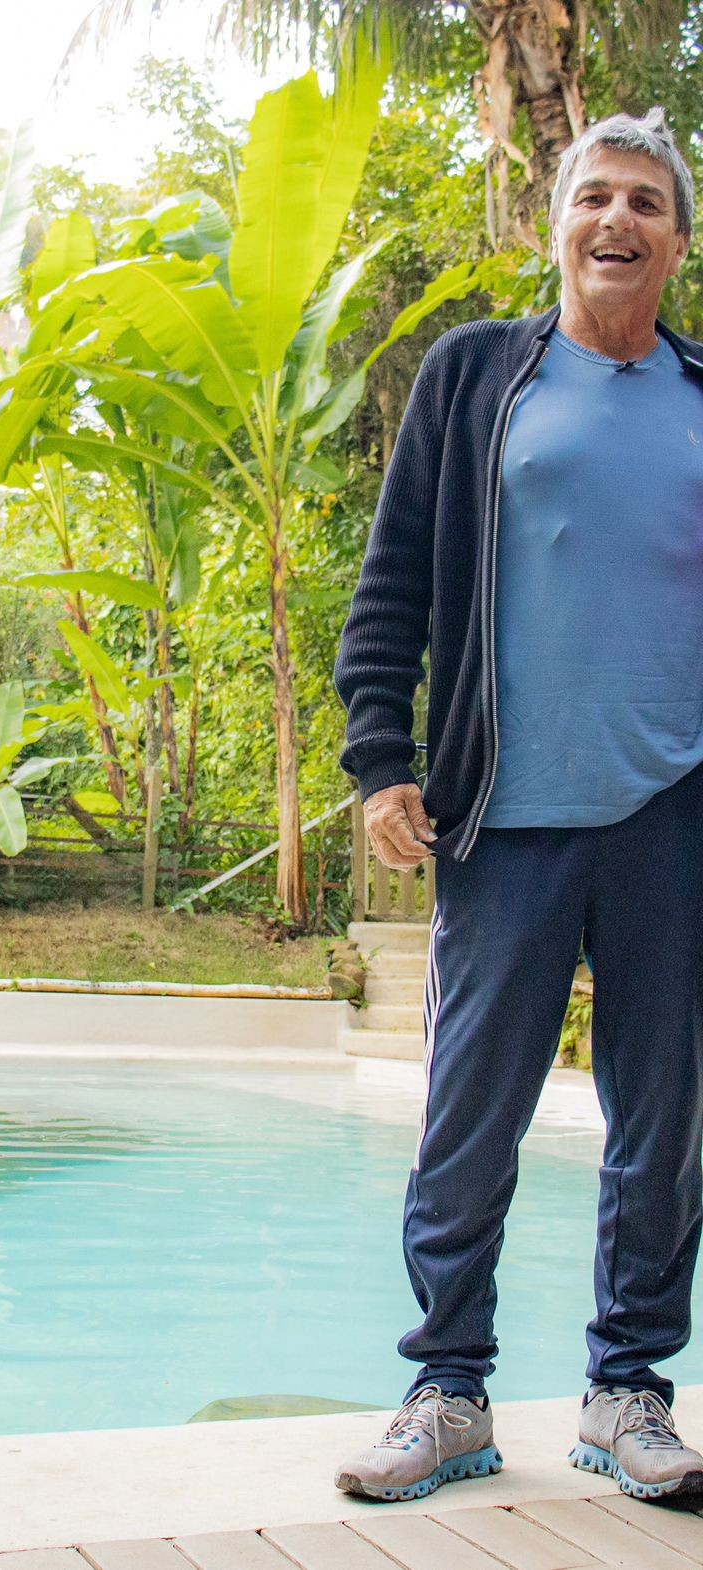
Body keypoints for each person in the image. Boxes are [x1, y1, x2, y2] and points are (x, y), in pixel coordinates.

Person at [332, 107, 703, 1505]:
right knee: (469, 1112)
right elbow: (395, 585)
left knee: (662, 1119)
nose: (617, 221)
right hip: (505, 814)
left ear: (678, 239)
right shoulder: (479, 377)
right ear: (555, 224)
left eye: (646, 204)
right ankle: (448, 1390)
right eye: (593, 197)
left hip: (674, 815)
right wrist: (381, 758)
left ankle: (629, 1393)